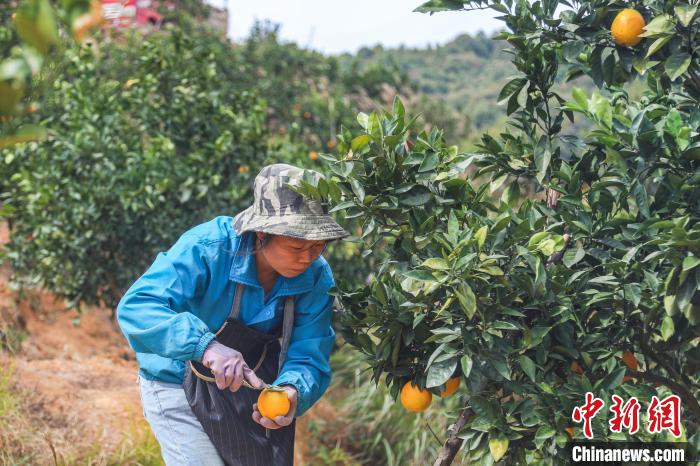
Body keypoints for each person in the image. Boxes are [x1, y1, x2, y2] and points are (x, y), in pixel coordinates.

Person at [116, 163, 350, 465]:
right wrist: (207, 347)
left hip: (244, 392)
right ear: (262, 233)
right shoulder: (209, 248)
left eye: (318, 247)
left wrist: (293, 390)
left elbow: (309, 352)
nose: (307, 257)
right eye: (296, 246)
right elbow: (137, 307)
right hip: (175, 381)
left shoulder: (315, 277)